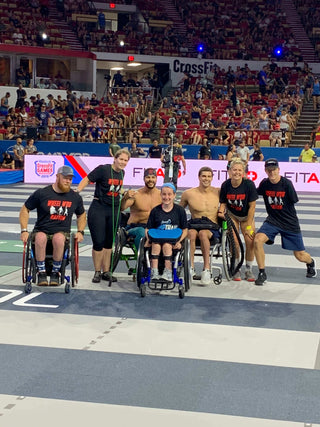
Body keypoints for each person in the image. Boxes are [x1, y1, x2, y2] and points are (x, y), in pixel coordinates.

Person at [19, 166, 86, 286]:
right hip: (41, 230)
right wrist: (24, 230)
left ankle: (56, 272)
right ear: (57, 177)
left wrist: (80, 231)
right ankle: (41, 272)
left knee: (58, 238)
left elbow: (81, 215)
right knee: (40, 237)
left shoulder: (75, 197)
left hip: (62, 233)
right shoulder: (42, 193)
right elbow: (25, 209)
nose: (68, 181)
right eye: (65, 178)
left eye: (70, 179)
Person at [254, 158, 316, 286]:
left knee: (299, 255)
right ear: (265, 171)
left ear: (279, 170)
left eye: (274, 170)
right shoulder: (264, 183)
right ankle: (262, 272)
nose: (272, 172)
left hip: (289, 223)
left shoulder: (286, 184)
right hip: (272, 221)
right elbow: (253, 193)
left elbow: (293, 201)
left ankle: (310, 262)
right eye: (269, 170)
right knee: (257, 240)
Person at [76, 149, 131, 284]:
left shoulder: (122, 173)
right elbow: (87, 179)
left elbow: (115, 188)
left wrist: (125, 193)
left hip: (114, 210)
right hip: (99, 209)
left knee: (109, 243)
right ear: (115, 158)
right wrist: (77, 191)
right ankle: (97, 272)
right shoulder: (103, 169)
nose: (123, 162)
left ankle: (106, 271)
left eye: (126, 160)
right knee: (98, 242)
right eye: (121, 159)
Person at [219, 159, 259, 282]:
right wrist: (220, 212)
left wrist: (248, 227)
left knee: (249, 240)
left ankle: (248, 268)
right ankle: (236, 266)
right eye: (234, 170)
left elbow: (252, 206)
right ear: (230, 171)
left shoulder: (249, 185)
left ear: (243, 172)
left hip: (247, 215)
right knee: (234, 242)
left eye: (239, 170)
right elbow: (223, 203)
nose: (237, 172)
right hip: (233, 215)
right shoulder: (226, 185)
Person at [180, 167, 220, 284]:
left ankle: (206, 269)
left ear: (212, 178)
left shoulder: (218, 192)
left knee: (203, 234)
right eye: (203, 176)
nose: (206, 179)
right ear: (199, 177)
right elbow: (179, 210)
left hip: (211, 227)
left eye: (208, 176)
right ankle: (190, 267)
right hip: (194, 224)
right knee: (191, 234)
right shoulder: (188, 193)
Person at [146, 182, 188, 282]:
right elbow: (148, 228)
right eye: (164, 194)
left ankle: (168, 272)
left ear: (174, 195)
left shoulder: (180, 210)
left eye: (169, 194)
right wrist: (148, 240)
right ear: (160, 195)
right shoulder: (155, 210)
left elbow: (185, 230)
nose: (166, 197)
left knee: (166, 245)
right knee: (156, 245)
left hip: (173, 241)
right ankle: (154, 271)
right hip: (157, 239)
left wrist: (179, 242)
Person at [121, 168, 162, 250]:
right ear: (144, 179)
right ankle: (142, 259)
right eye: (148, 177)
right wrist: (125, 197)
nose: (150, 180)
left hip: (154, 227)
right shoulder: (136, 195)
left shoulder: (161, 195)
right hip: (135, 227)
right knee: (141, 232)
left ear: (156, 179)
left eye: (153, 177)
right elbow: (122, 208)